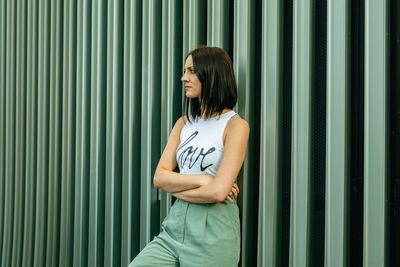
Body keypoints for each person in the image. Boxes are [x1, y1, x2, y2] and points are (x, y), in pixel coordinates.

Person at [129, 46, 249, 267]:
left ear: (212, 74)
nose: (184, 78)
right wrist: (203, 180)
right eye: (185, 70)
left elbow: (218, 192)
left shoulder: (235, 126)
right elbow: (159, 177)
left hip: (212, 231)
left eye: (192, 71)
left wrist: (175, 188)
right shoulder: (183, 123)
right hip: (174, 228)